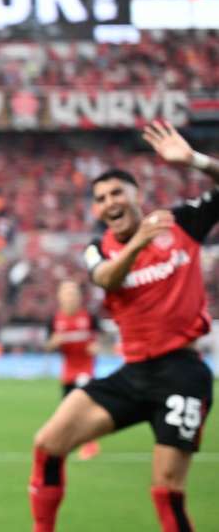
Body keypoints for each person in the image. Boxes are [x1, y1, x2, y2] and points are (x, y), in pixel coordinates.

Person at [29, 121, 216, 532]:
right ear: (95, 211)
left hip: (182, 374)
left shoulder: (181, 223)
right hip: (133, 374)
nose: (109, 202)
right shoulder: (98, 249)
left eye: (117, 192)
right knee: (48, 444)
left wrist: (195, 161)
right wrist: (139, 243)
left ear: (137, 196)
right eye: (100, 198)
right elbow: (106, 278)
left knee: (167, 490)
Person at [44, 280, 102, 461]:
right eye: (67, 293)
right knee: (67, 411)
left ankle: (90, 443)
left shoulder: (89, 317)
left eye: (74, 293)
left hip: (86, 370)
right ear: (60, 297)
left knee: (83, 408)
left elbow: (100, 341)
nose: (71, 297)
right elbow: (48, 346)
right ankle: (70, 442)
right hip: (68, 371)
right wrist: (53, 343)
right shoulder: (54, 320)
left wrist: (96, 347)